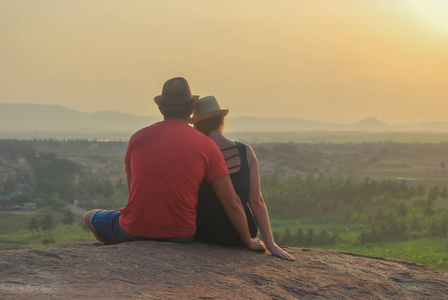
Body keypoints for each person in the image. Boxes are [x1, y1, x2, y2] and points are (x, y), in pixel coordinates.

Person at [83, 78, 265, 252]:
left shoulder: (137, 138)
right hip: (182, 234)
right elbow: (231, 200)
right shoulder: (206, 144)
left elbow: (134, 192)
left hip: (134, 230)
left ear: (161, 109)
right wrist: (247, 240)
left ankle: (122, 250)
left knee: (90, 216)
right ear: (192, 109)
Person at [190, 96, 295, 260]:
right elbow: (256, 201)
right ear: (222, 121)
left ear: (197, 126)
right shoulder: (246, 152)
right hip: (240, 235)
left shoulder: (195, 155)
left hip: (204, 233)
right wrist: (271, 244)